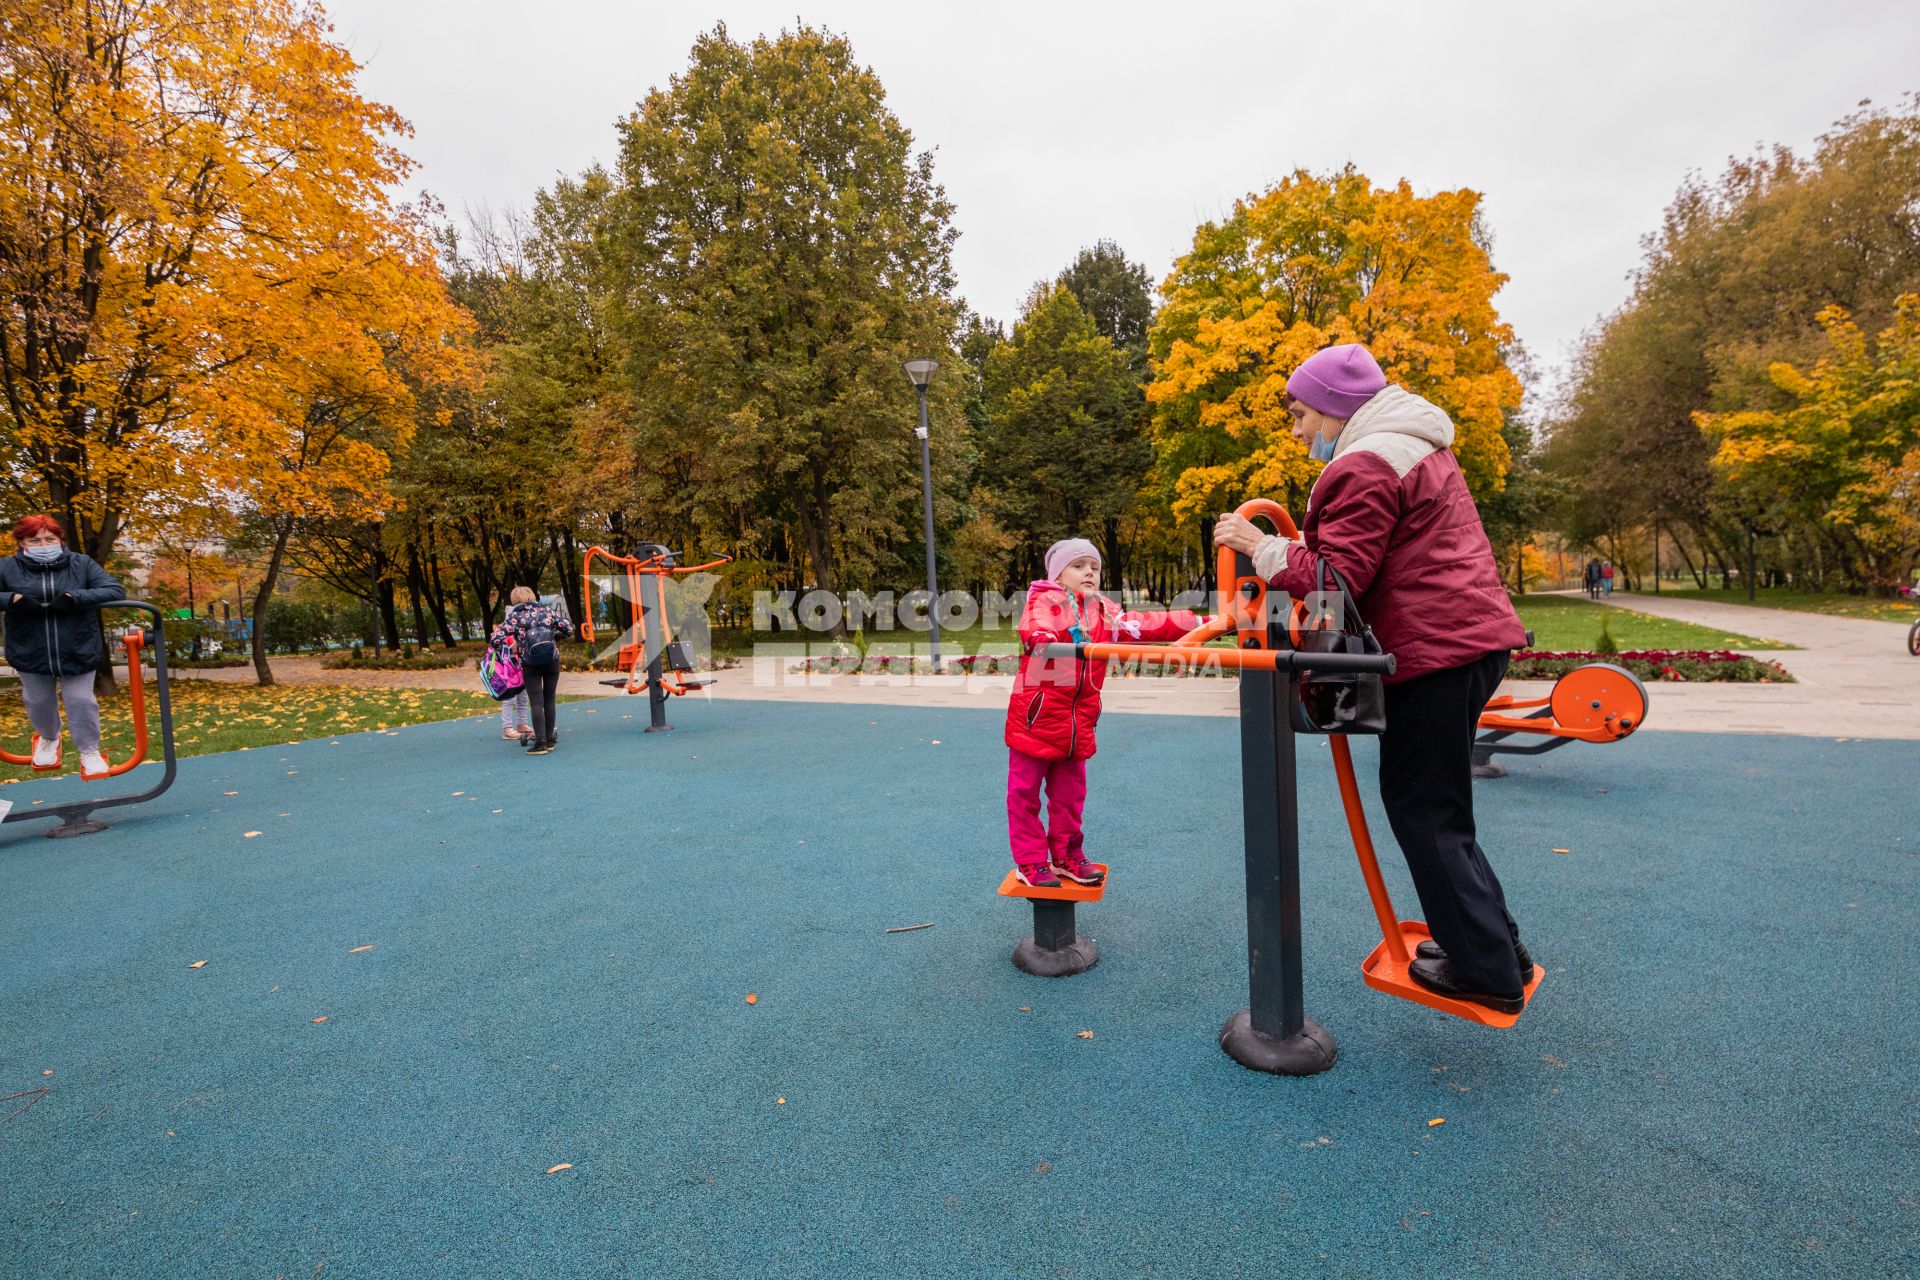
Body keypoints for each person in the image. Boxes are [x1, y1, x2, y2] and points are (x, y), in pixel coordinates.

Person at [1212, 343, 1534, 1014]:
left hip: (1435, 652)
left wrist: (1259, 548)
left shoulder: (1364, 463)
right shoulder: (1417, 446)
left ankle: (1487, 969)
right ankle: (1493, 946)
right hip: (1465, 641)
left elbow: (1337, 580)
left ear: (1333, 407)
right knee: (1441, 808)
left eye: (1300, 414)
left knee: (1423, 810)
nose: (1297, 430)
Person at [1004, 539, 1201, 888]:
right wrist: (1043, 637)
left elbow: (1144, 624)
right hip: (1034, 722)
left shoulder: (1103, 611)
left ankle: (1065, 856)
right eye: (1079, 566)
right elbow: (1034, 625)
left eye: (1093, 567)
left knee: (1069, 798)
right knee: (1024, 795)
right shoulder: (1044, 598)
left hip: (1077, 726)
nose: (1089, 572)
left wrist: (1198, 622)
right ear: (1059, 574)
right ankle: (1031, 862)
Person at [0, 515, 128, 777]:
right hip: (29, 647)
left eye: (49, 538)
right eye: (34, 540)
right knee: (38, 700)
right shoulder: (7, 568)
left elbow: (114, 590)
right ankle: (49, 738)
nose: (43, 544)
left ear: (60, 539)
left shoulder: (80, 564)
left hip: (77, 645)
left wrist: (74, 597)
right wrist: (11, 598)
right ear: (22, 542)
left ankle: (89, 750)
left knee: (81, 700)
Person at [491, 586, 571, 755]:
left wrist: (510, 646)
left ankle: (540, 744)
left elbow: (495, 637)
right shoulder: (546, 612)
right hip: (551, 661)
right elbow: (569, 629)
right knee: (549, 700)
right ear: (532, 597)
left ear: (514, 601)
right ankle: (549, 740)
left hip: (530, 663)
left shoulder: (514, 617)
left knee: (536, 702)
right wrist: (555, 637)